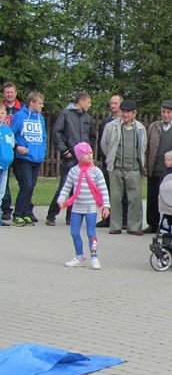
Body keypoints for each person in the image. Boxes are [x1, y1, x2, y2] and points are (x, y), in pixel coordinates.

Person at [56, 142, 110, 270]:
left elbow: (103, 189)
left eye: (90, 153)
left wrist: (106, 206)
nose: (89, 156)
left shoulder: (96, 171)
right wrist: (61, 199)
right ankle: (79, 257)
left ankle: (94, 257)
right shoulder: (73, 171)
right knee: (74, 232)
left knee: (91, 233)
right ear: (79, 156)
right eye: (86, 154)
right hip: (77, 207)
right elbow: (67, 187)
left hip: (90, 207)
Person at [47, 92, 95, 227]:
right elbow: (57, 133)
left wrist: (88, 151)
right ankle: (51, 215)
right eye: (88, 102)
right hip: (70, 156)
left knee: (78, 188)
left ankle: (70, 216)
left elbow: (92, 136)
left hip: (83, 158)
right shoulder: (66, 114)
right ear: (81, 101)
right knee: (64, 186)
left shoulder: (87, 117)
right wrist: (64, 150)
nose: (90, 105)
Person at [100, 99, 147, 234]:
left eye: (128, 112)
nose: (125, 115)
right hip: (116, 167)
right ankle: (115, 226)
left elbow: (143, 147)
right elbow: (105, 145)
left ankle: (134, 227)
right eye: (124, 112)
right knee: (115, 197)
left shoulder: (140, 128)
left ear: (134, 113)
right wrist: (111, 159)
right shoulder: (111, 126)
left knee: (135, 198)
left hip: (134, 168)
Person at [144, 100, 172, 232]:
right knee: (153, 197)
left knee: (170, 198)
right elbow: (147, 148)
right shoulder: (154, 126)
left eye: (168, 112)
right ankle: (153, 224)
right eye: (163, 112)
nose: (165, 115)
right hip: (155, 167)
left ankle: (169, 225)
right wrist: (146, 166)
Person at [10, 91, 48, 226]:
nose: (42, 105)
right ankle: (17, 214)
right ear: (32, 103)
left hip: (36, 158)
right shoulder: (19, 116)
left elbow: (43, 136)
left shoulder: (40, 118)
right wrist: (17, 147)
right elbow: (10, 134)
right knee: (25, 185)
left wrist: (43, 151)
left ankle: (26, 213)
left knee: (31, 186)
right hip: (24, 158)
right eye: (40, 103)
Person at [96, 95, 124, 228]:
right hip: (107, 161)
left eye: (115, 103)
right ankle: (106, 218)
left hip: (121, 162)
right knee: (105, 190)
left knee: (120, 192)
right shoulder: (106, 121)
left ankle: (122, 220)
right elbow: (102, 141)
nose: (113, 106)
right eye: (111, 103)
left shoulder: (125, 120)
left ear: (120, 105)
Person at [1, 81, 22, 224]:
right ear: (3, 93)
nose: (10, 94)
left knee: (22, 181)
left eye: (12, 92)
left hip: (14, 151)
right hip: (3, 155)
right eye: (7, 92)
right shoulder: (1, 107)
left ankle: (24, 209)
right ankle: (6, 210)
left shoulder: (21, 110)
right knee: (4, 185)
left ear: (15, 93)